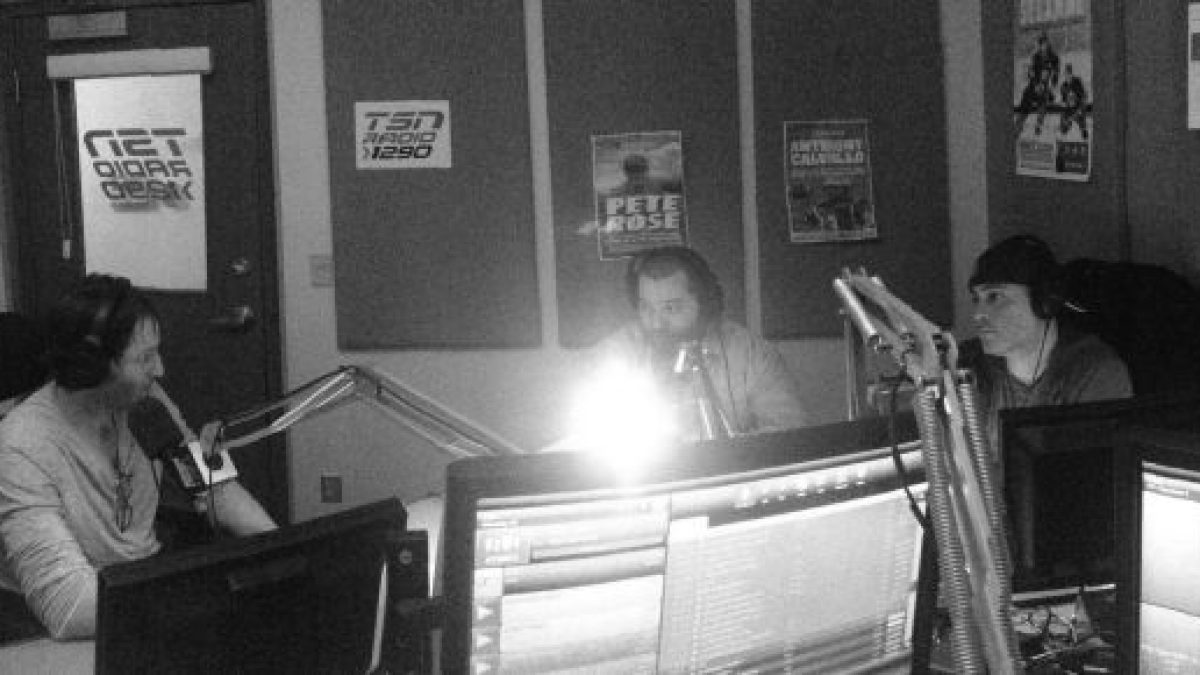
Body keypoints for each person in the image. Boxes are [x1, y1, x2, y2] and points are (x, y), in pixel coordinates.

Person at [0, 274, 277, 640]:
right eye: (145, 358)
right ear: (93, 363)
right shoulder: (21, 444)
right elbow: (69, 607)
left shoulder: (147, 402)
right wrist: (203, 601)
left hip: (140, 589)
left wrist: (281, 555)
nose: (160, 369)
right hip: (59, 626)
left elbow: (214, 485)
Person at [591, 246, 808, 441]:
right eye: (646, 308)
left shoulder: (752, 355)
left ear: (705, 304)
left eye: (671, 308)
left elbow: (790, 435)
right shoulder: (618, 353)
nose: (656, 323)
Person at [961, 235, 1133, 448]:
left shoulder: (1096, 373)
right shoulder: (969, 365)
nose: (978, 314)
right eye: (976, 299)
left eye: (994, 297)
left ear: (1045, 301)